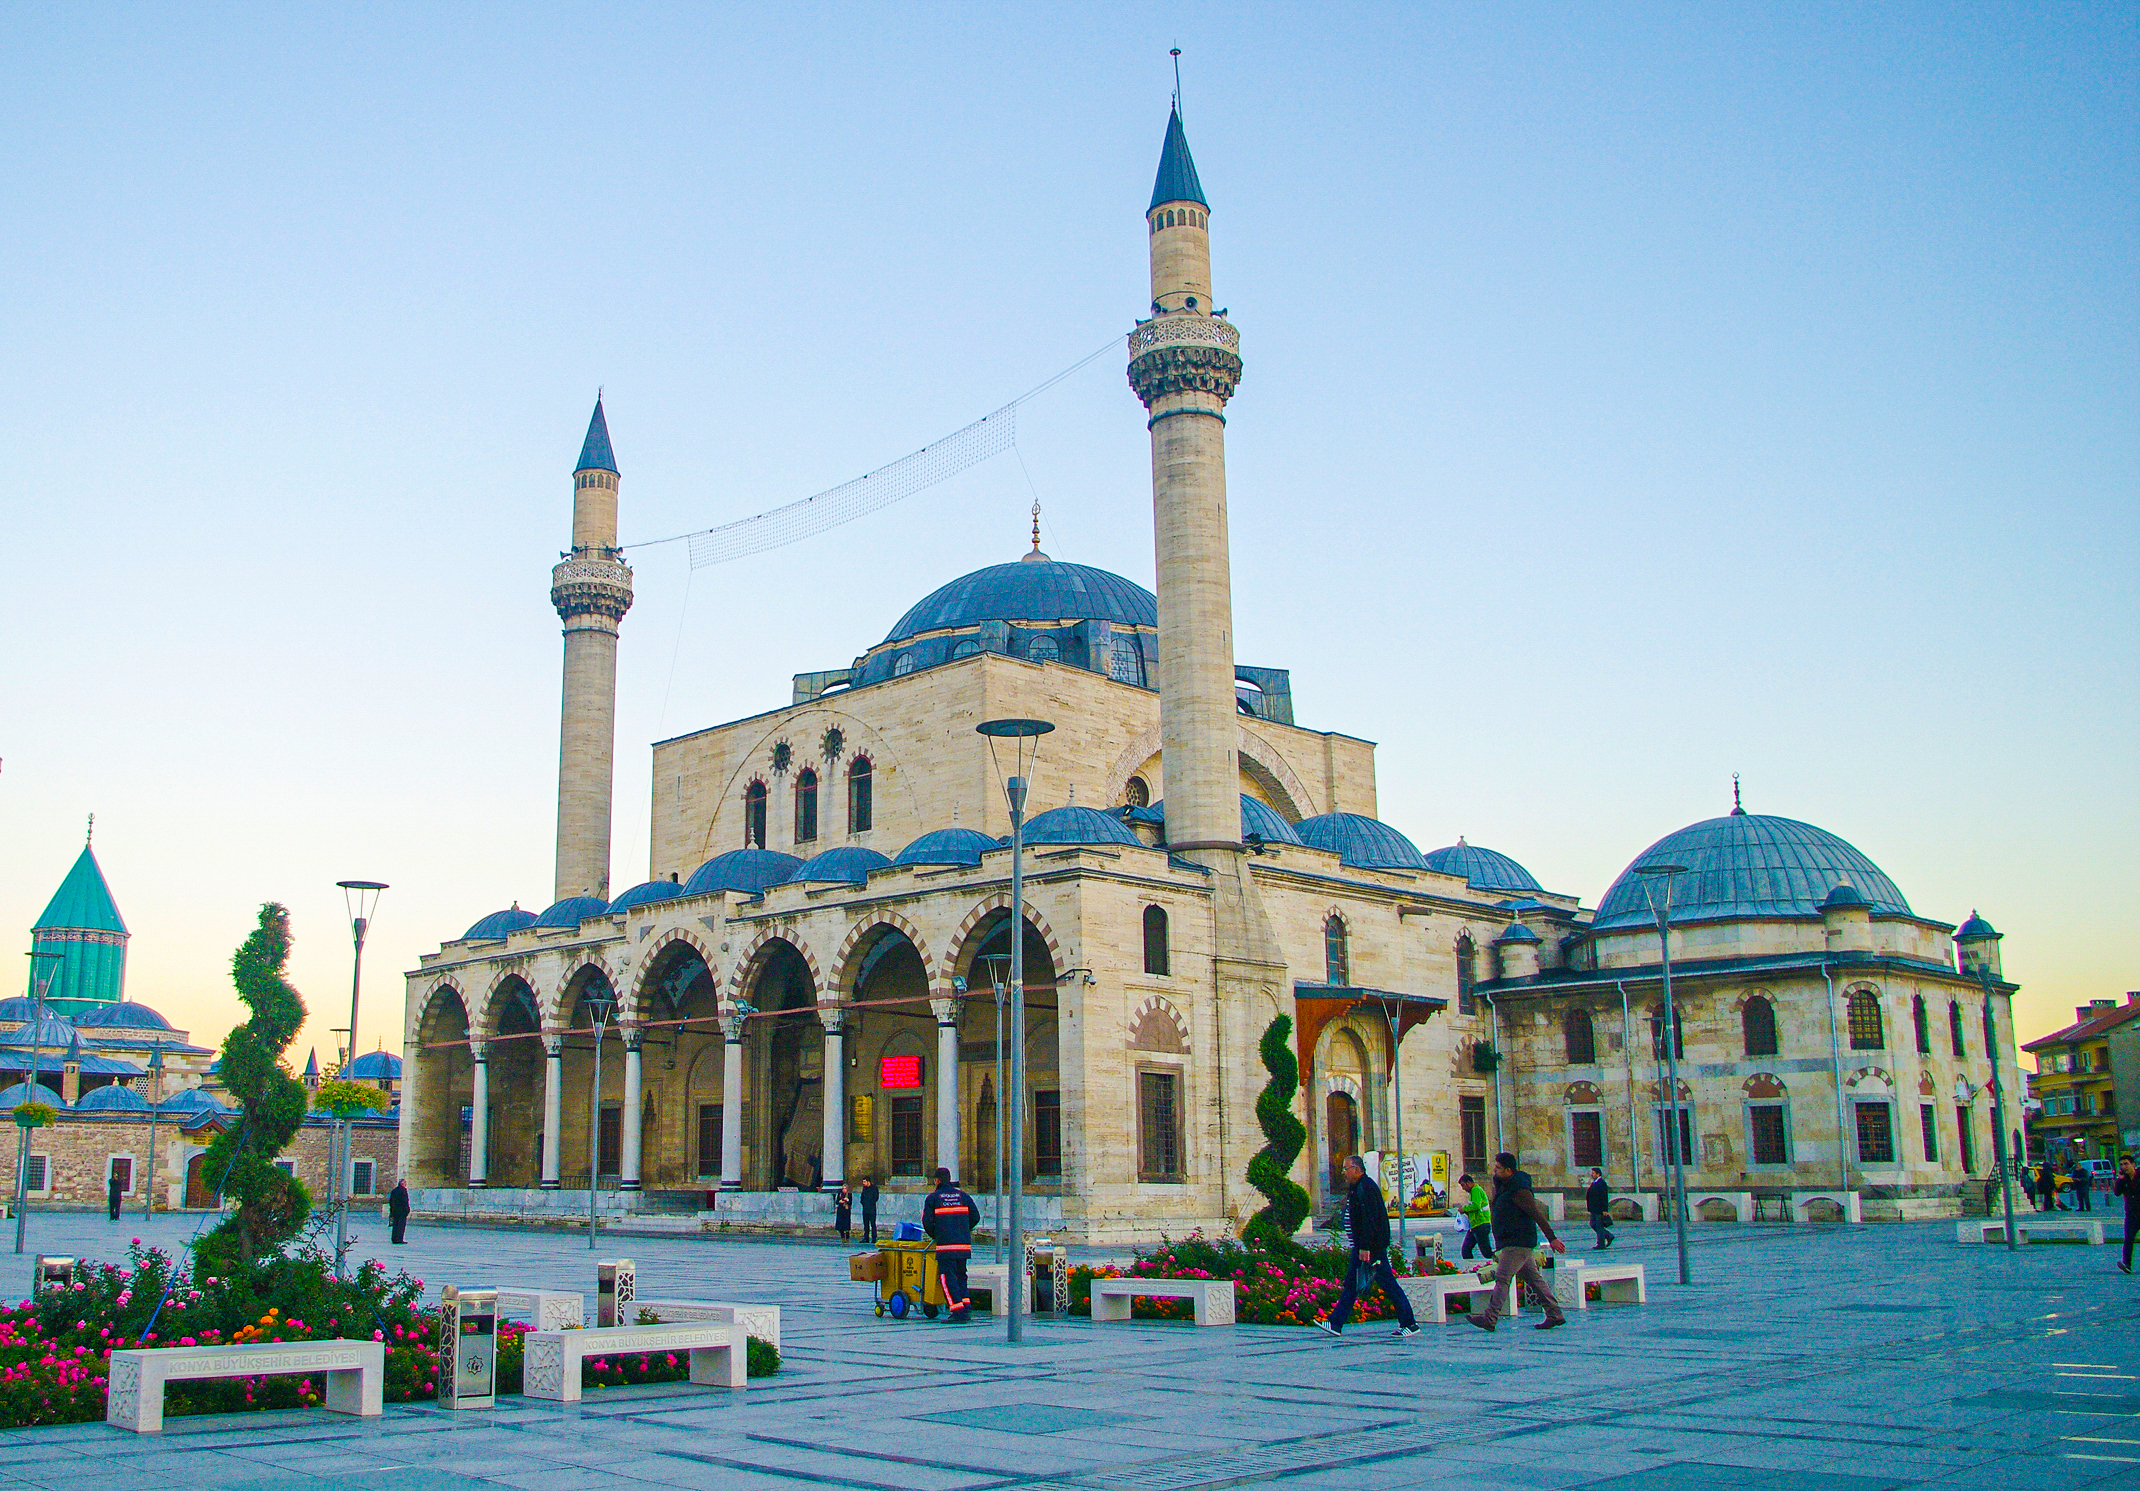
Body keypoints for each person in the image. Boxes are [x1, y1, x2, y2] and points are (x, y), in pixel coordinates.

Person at [1313, 1155, 1421, 1339]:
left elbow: (1370, 1220)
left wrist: (1365, 1247)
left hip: (1370, 1249)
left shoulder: (1366, 1188)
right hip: (1363, 1247)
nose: (1344, 1173)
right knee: (1352, 1284)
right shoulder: (1357, 1188)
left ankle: (1409, 1323)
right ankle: (1335, 1323)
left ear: (1357, 1169)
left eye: (1346, 1168)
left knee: (1388, 1283)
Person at [1467, 1152, 1567, 1333]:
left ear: (1509, 1170)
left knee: (1503, 1278)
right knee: (1535, 1280)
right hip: (1512, 1242)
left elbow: (1537, 1214)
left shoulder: (1519, 1190)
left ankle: (1489, 1318)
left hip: (1518, 1242)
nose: (1494, 1171)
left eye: (1498, 1168)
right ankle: (1555, 1314)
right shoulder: (1505, 1186)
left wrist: (1551, 1238)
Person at [922, 1167, 980, 1323]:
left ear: (937, 1181)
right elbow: (976, 1216)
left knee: (947, 1278)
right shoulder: (963, 1196)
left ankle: (957, 1310)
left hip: (946, 1245)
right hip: (963, 1245)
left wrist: (938, 1234)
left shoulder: (933, 1198)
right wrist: (963, 1229)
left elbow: (927, 1222)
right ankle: (966, 1307)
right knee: (961, 1275)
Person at [1457, 1172, 1493, 1260]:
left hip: (1481, 1224)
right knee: (1466, 1250)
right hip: (1475, 1225)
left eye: (1463, 1185)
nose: (1463, 1188)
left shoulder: (1476, 1190)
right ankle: (1470, 1268)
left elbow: (1476, 1205)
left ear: (1469, 1183)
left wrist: (1464, 1209)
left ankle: (1499, 1263)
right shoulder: (1472, 1192)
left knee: (1486, 1252)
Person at [2114, 1156, 2139, 1275]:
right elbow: (2117, 1193)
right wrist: (2119, 1179)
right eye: (2122, 1165)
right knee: (2128, 1239)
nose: (2124, 1167)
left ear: (2133, 1164)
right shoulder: (2123, 1179)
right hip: (2131, 1214)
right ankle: (2127, 1264)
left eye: (2126, 1164)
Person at [1584, 1167, 1613, 1250]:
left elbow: (1604, 1197)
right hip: (1594, 1208)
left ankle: (1601, 1244)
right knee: (1593, 1224)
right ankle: (1608, 1235)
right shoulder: (1595, 1183)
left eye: (1593, 1173)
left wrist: (1604, 1210)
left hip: (1599, 1209)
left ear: (1598, 1174)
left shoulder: (1602, 1183)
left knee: (1598, 1226)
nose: (1592, 1175)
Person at [388, 1177, 411, 1245]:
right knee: (401, 1226)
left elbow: (391, 1201)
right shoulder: (403, 1191)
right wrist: (407, 1210)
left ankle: (394, 1238)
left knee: (395, 1225)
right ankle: (399, 1239)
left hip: (395, 1211)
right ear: (403, 1184)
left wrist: (392, 1210)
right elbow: (405, 1201)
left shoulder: (394, 1190)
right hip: (402, 1212)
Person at [859, 1176, 880, 1245]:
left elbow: (875, 1197)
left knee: (873, 1224)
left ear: (868, 1182)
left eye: (864, 1182)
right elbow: (862, 1198)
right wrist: (864, 1203)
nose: (863, 1183)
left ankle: (874, 1238)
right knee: (866, 1224)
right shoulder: (864, 1189)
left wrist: (870, 1203)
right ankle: (866, 1238)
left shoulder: (874, 1188)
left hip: (871, 1209)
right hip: (865, 1209)